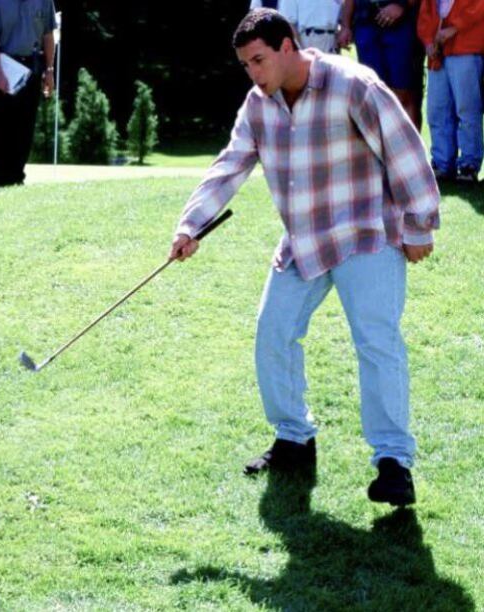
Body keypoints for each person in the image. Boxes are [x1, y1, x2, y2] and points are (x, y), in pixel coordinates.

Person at [171, 10, 439, 506]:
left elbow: (405, 150)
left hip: (367, 233)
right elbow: (229, 166)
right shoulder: (258, 105)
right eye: (246, 65)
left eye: (259, 60)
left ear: (288, 46)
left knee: (377, 342)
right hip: (304, 241)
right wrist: (191, 225)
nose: (254, 73)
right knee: (273, 332)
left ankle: (393, 463)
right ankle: (294, 439)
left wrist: (420, 224)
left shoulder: (353, 84)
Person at [0, 0, 55, 188]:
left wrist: (49, 70)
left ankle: (17, 177)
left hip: (33, 66)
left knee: (25, 126)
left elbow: (48, 35)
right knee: (1, 126)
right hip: (5, 64)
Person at [417, 0, 484, 183]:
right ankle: (442, 163)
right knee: (437, 110)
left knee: (467, 110)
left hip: (466, 46)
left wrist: (453, 28)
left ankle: (469, 164)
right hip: (438, 52)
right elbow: (426, 13)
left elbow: (478, 7)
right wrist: (428, 42)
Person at [337, 0, 424, 128]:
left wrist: (401, 5)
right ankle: (382, 146)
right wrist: (346, 25)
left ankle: (411, 146)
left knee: (405, 93)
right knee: (373, 94)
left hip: (401, 23)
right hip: (366, 23)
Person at [278, 0, 343, 52]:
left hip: (333, 42)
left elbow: (342, 16)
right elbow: (288, 23)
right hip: (308, 41)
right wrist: (300, 51)